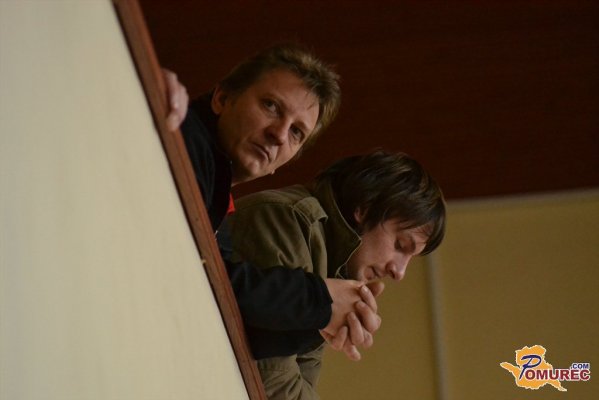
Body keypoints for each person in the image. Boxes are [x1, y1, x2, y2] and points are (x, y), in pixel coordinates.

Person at [167, 44, 381, 360]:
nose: (279, 135)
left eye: (297, 132)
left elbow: (225, 316)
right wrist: (318, 299)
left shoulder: (217, 196)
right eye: (271, 106)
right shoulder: (183, 140)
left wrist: (323, 320)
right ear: (222, 98)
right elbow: (196, 280)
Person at [227, 150, 446, 399]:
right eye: (400, 245)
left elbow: (302, 380)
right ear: (365, 208)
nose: (399, 272)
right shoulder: (291, 219)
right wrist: (321, 307)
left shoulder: (334, 266)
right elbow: (273, 382)